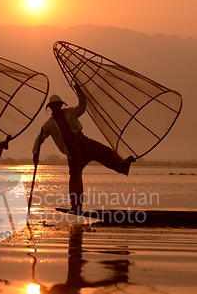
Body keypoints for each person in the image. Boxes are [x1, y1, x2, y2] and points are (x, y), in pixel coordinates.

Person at [32, 84, 135, 213]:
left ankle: (122, 164)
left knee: (104, 151)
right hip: (72, 152)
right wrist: (35, 154)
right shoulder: (49, 125)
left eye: (58, 105)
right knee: (75, 178)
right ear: (51, 108)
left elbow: (82, 107)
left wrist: (79, 91)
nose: (56, 107)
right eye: (54, 106)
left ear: (60, 105)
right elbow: (39, 139)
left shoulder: (69, 112)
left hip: (83, 142)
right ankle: (76, 206)